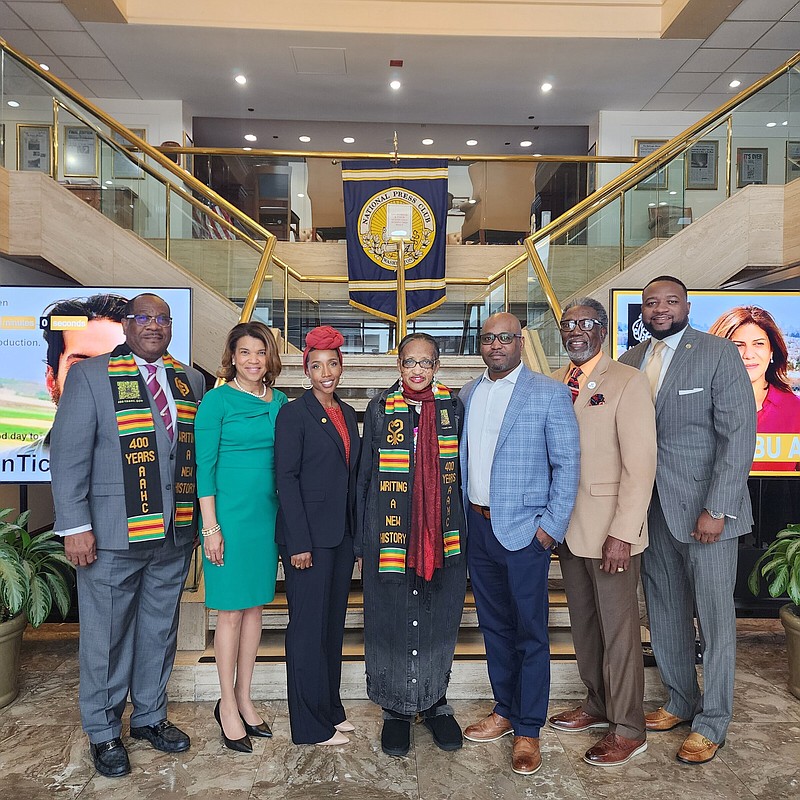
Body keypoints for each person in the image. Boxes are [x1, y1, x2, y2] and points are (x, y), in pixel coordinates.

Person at [50, 293, 206, 778]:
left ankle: (150, 717)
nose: (154, 326)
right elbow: (68, 455)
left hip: (172, 532)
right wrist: (76, 526)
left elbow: (191, 457)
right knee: (107, 635)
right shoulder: (90, 377)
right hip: (112, 534)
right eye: (144, 318)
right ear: (128, 325)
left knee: (159, 630)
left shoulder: (190, 380)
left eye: (163, 319)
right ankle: (102, 730)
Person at [619, 276, 756, 765]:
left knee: (715, 620)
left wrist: (717, 508)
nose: (660, 309)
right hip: (650, 513)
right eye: (651, 302)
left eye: (670, 301)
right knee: (666, 612)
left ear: (687, 305)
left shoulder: (718, 353)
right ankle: (680, 700)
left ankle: (713, 721)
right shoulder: (631, 362)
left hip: (707, 515)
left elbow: (738, 437)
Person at [459, 311, 580, 776]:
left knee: (530, 632)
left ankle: (529, 728)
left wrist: (549, 529)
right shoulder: (469, 393)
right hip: (479, 529)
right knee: (494, 627)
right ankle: (505, 710)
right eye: (488, 338)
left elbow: (567, 464)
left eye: (505, 337)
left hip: (526, 532)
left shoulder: (549, 393)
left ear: (520, 341)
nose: (496, 345)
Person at [548, 298, 656, 766]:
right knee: (586, 628)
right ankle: (597, 703)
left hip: (612, 532)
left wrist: (624, 532)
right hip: (568, 529)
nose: (575, 331)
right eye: (568, 324)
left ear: (603, 330)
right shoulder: (554, 383)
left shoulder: (628, 381)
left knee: (619, 632)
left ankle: (629, 727)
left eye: (585, 324)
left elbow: (641, 463)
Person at [356, 332, 467, 757]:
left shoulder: (453, 409)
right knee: (390, 615)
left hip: (442, 529)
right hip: (390, 528)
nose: (417, 370)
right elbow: (366, 475)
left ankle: (435, 702)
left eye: (426, 362)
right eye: (409, 362)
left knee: (439, 613)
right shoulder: (382, 409)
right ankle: (396, 711)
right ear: (398, 365)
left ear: (437, 367)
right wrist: (363, 545)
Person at [195, 322, 287, 752]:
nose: (253, 360)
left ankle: (246, 697)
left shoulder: (282, 401)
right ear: (232, 356)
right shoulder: (215, 402)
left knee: (255, 609)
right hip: (227, 520)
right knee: (230, 613)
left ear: (269, 359)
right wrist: (210, 527)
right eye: (245, 352)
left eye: (260, 352)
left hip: (264, 519)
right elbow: (204, 470)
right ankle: (226, 705)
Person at [274, 326, 361, 746]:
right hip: (308, 540)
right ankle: (308, 726)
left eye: (332, 364)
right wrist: (299, 543)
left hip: (340, 538)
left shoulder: (345, 412)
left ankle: (329, 708)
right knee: (307, 631)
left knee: (331, 627)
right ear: (305, 370)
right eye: (316, 366)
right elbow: (286, 480)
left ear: (341, 367)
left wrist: (356, 538)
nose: (325, 372)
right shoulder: (294, 413)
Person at [0, 293, 127, 479]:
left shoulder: (166, 466)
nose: (100, 382)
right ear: (52, 380)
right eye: (81, 368)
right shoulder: (13, 462)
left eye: (118, 366)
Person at [708, 305, 800, 472]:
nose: (748, 354)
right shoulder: (697, 407)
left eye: (758, 344)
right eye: (737, 345)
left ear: (772, 350)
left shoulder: (795, 409)